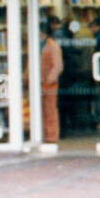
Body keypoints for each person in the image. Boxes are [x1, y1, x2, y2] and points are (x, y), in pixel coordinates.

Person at [40, 15, 64, 143]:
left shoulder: (52, 45)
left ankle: (52, 136)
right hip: (37, 82)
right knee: (41, 111)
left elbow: (57, 65)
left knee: (50, 110)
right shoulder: (36, 46)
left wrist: (49, 80)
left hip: (49, 83)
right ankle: (43, 134)